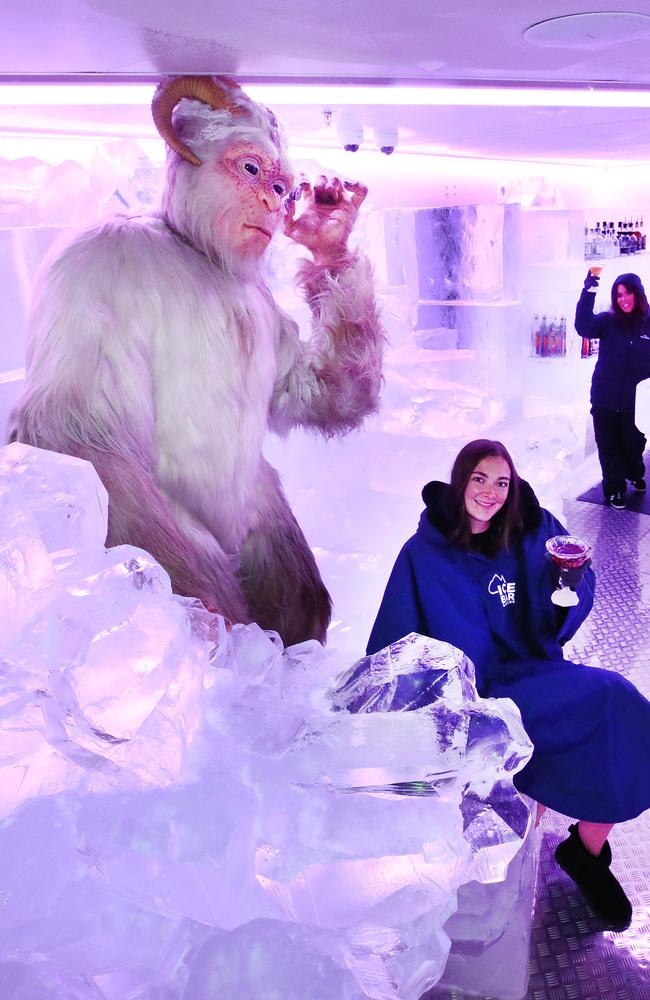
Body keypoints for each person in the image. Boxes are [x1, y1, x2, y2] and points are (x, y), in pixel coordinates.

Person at [7, 75, 384, 647]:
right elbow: (77, 453)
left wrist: (332, 259)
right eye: (250, 171)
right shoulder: (107, 258)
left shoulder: (250, 298)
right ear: (188, 165)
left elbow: (340, 401)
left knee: (306, 621)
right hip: (156, 577)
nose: (270, 202)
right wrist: (191, 592)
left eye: (281, 187)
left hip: (245, 524)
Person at [367, 439, 650, 931]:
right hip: (468, 698)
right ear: (461, 482)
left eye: (502, 482)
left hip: (531, 676)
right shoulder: (422, 554)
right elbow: (392, 643)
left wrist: (566, 587)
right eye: (480, 478)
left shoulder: (530, 530)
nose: (491, 492)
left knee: (619, 705)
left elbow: (568, 595)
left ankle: (587, 851)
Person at [575, 270, 650, 509]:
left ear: (638, 294)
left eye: (628, 293)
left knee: (632, 443)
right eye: (618, 295)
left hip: (635, 403)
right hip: (604, 398)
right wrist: (589, 290)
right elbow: (583, 326)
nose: (624, 299)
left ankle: (636, 473)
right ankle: (615, 489)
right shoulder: (608, 322)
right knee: (607, 446)